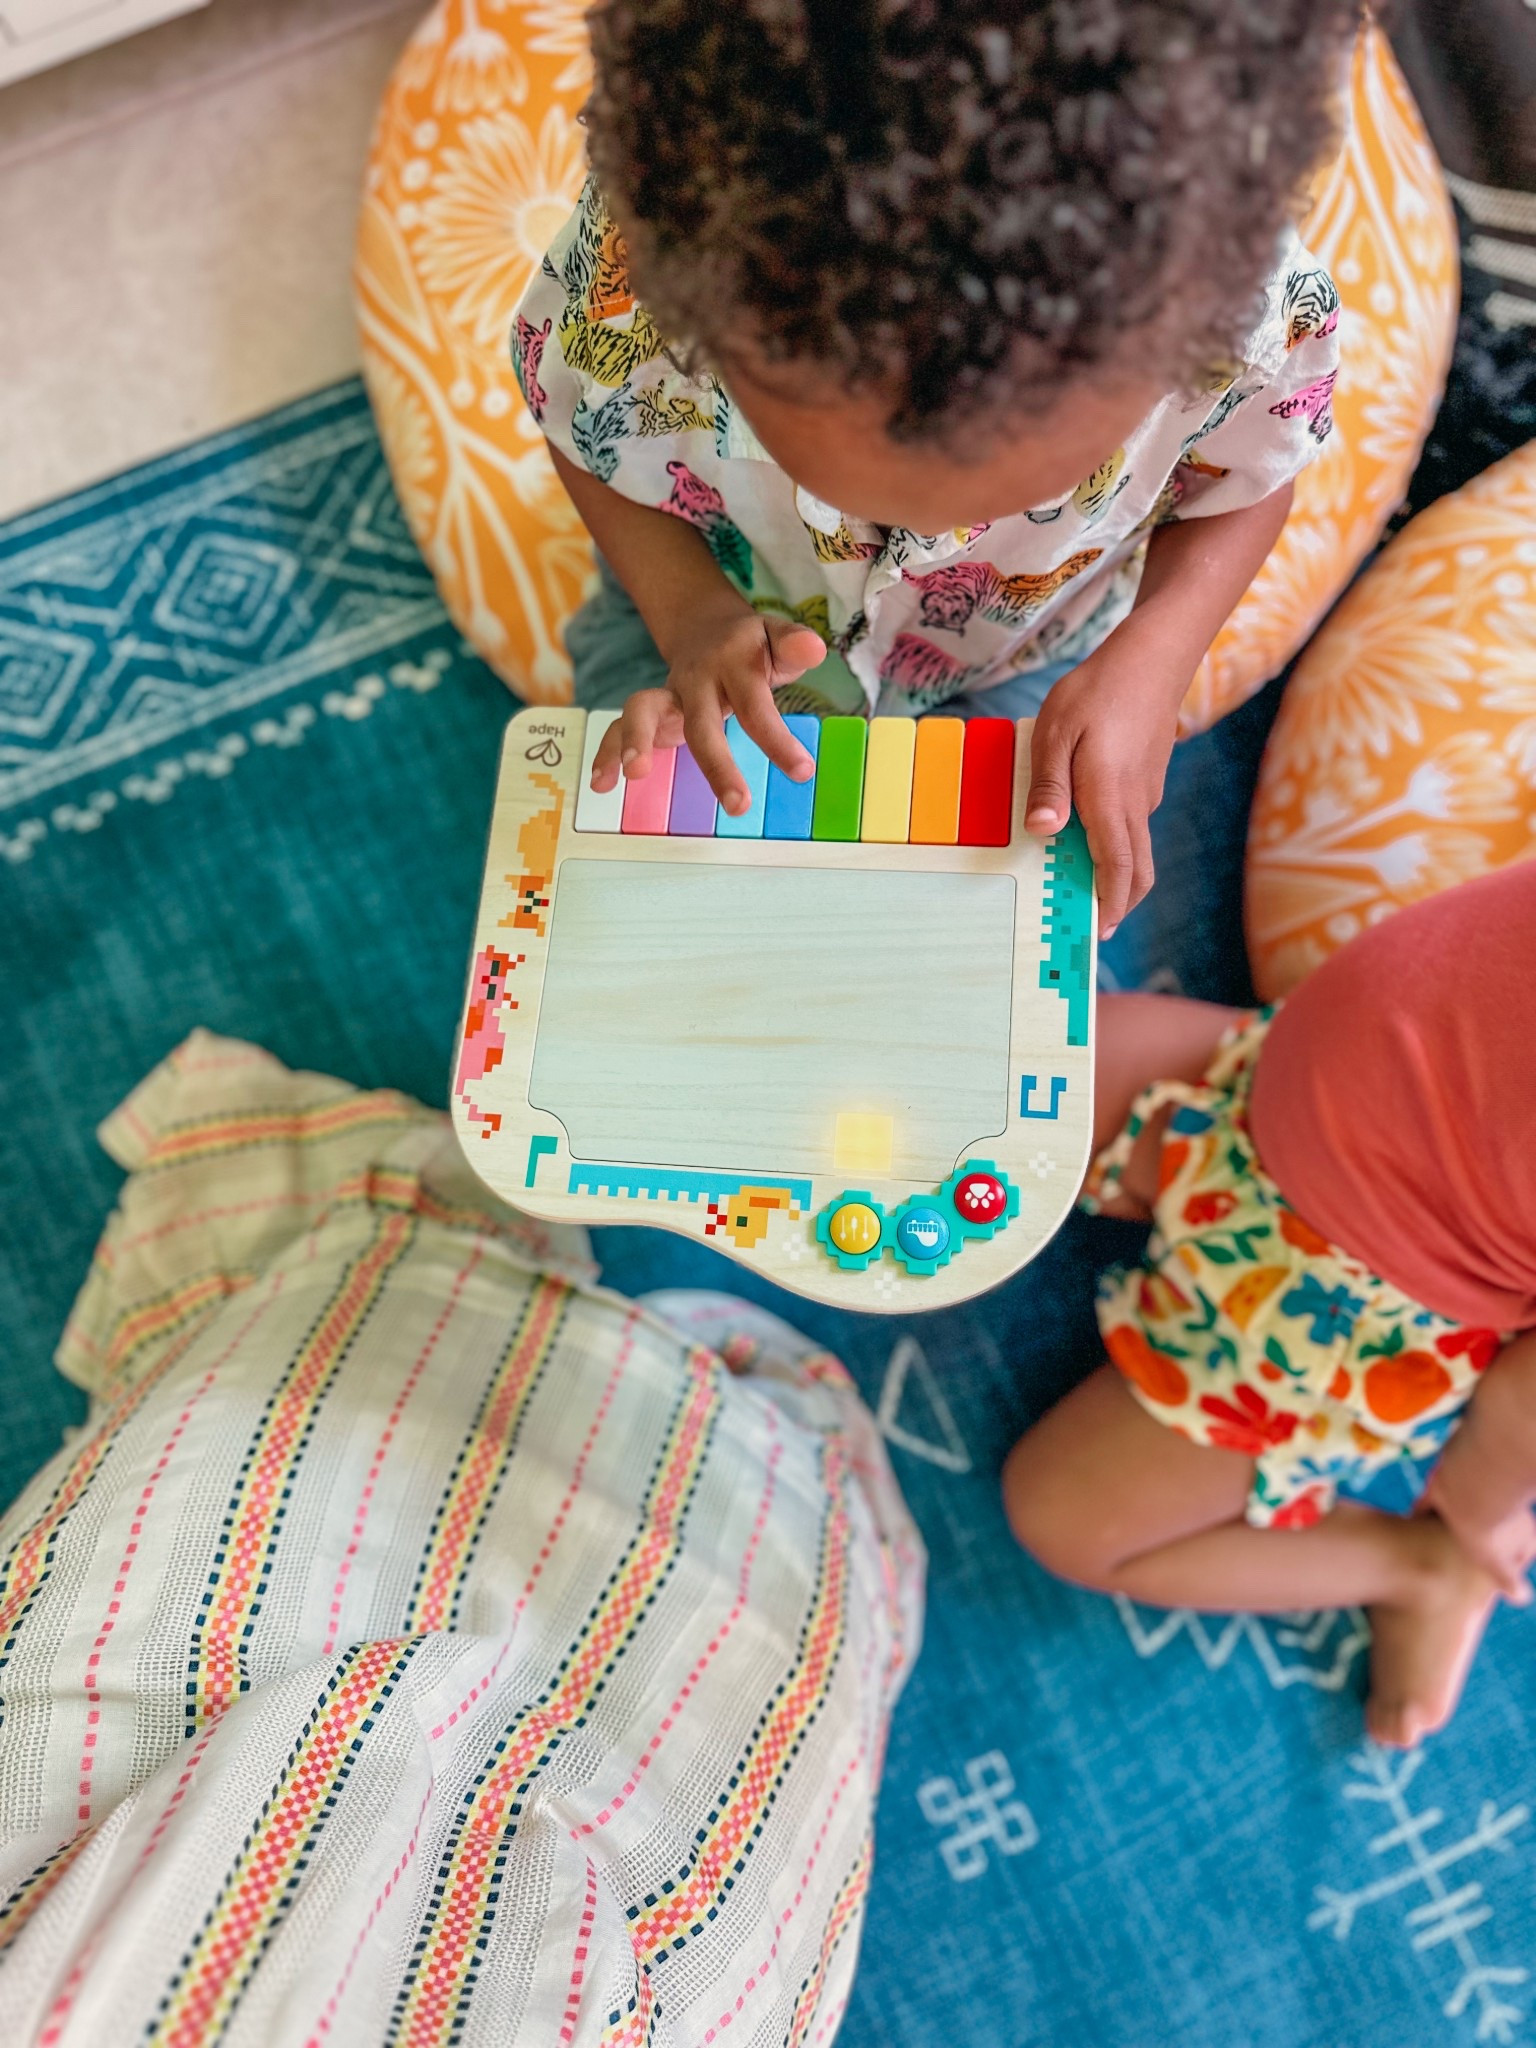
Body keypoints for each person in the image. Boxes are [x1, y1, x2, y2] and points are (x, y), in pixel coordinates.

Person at [511, 0, 1355, 934]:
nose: (917, 540)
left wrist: (1154, 658)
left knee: (976, 937)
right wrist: (685, 614)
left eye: (1020, 495)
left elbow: (1249, 481)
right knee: (644, 878)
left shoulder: (1233, 312)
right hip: (710, 595)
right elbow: (580, 416)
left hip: (1021, 654)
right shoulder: (660, 249)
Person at [1003, 863, 1536, 1747]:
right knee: (981, 1068)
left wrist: (1477, 1516)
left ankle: (1421, 1568)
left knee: (1066, 1516)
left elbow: (1523, 1405)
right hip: (1273, 1079)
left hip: (1341, 1313)